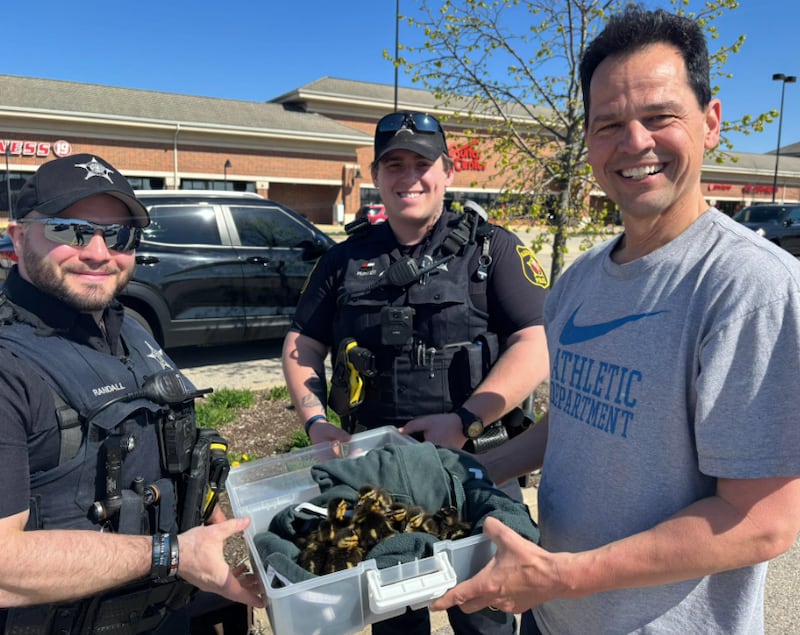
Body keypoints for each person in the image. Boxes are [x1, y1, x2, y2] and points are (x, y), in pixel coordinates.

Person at [430, 6, 800, 634]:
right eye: (609, 125)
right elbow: (578, 419)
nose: (634, 144)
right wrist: (468, 469)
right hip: (551, 619)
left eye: (659, 117)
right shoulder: (580, 281)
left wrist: (561, 574)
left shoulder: (749, 286)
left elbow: (763, 521)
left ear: (711, 122)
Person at [281, 111, 550, 634]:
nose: (409, 177)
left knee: (489, 615)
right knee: (394, 619)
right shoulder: (342, 260)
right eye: (393, 164)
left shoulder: (492, 249)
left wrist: (466, 420)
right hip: (380, 475)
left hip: (475, 467)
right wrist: (316, 422)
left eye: (422, 163)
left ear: (448, 172)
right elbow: (302, 344)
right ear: (376, 176)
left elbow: (536, 341)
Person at [0, 154, 264, 634]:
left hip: (171, 614)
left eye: (119, 235)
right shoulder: (8, 369)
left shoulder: (134, 327)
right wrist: (174, 554)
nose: (99, 252)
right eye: (71, 231)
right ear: (18, 239)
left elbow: (178, 452)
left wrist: (238, 536)